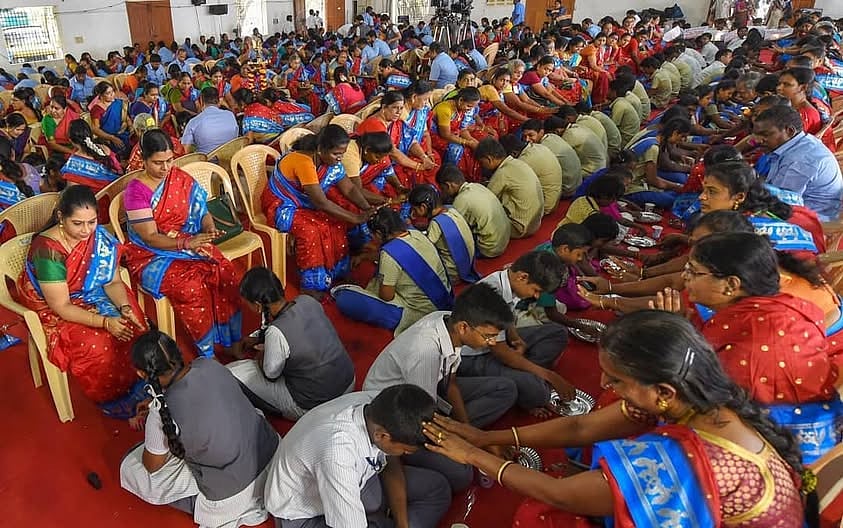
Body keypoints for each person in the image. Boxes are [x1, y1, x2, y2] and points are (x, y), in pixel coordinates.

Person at [422, 311, 811, 528]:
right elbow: (580, 426)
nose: (605, 384)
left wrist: (473, 455)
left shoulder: (685, 462)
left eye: (618, 379)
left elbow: (557, 494)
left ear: (663, 391)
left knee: (541, 515)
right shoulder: (696, 399)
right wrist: (486, 437)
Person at [664, 232, 843, 463]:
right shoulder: (789, 307)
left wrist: (672, 339)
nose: (684, 277)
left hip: (770, 457)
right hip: (819, 441)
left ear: (731, 285)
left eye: (693, 272)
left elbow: (691, 398)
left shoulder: (751, 346)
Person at [362, 285, 519, 492]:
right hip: (399, 412)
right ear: (464, 327)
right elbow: (422, 418)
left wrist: (474, 434)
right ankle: (398, 454)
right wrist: (476, 447)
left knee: (505, 389)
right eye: (488, 336)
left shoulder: (448, 321)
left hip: (430, 391)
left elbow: (451, 383)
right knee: (461, 473)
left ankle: (460, 433)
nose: (491, 343)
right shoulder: (424, 352)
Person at [120, 330, 280, 527]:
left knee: (131, 468)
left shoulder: (161, 411)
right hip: (272, 456)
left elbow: (152, 465)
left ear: (142, 374)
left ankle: (203, 504)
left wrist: (156, 416)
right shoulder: (208, 364)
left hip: (236, 492)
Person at [17, 185, 148, 422]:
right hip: (59, 308)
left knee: (135, 320)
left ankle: (139, 385)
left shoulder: (99, 238)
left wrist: (124, 308)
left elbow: (113, 282)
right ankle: (117, 401)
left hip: (93, 293)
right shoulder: (48, 250)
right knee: (97, 345)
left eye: (92, 222)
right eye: (77, 223)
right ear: (60, 217)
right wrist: (105, 322)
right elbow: (61, 306)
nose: (86, 230)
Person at [122, 130, 243, 358]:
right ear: (144, 160)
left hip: (189, 242)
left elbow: (202, 209)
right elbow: (149, 237)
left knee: (224, 271)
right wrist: (186, 242)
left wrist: (208, 227)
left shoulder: (179, 177)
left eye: (169, 160)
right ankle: (207, 352)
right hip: (151, 256)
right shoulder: (135, 192)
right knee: (192, 288)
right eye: (158, 163)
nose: (166, 168)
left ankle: (231, 340)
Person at [264, 385, 452, 528]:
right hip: (303, 513)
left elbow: (389, 462)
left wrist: (403, 524)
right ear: (382, 436)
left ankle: (380, 519)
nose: (405, 455)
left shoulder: (380, 409)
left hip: (356, 479)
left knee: (438, 488)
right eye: (405, 450)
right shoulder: (337, 451)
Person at [227, 267, 354, 420]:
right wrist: (262, 339)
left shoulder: (276, 332)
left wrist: (263, 354)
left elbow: (271, 374)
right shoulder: (307, 300)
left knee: (232, 372)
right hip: (348, 383)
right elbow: (302, 332)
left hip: (317, 404)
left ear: (258, 305)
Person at [262, 125, 373, 297]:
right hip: (283, 206)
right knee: (312, 230)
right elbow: (321, 202)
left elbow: (349, 189)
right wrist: (356, 218)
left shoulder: (330, 161)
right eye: (336, 154)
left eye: (342, 154)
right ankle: (311, 285)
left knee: (335, 222)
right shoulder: (303, 162)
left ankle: (337, 272)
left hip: (306, 204)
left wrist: (366, 208)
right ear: (320, 150)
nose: (340, 158)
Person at [457, 250, 572, 413]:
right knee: (539, 394)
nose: (537, 296)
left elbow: (506, 317)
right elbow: (502, 353)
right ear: (523, 277)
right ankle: (527, 381)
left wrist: (515, 337)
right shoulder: (492, 293)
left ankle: (526, 375)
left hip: (498, 346)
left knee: (558, 333)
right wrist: (549, 375)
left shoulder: (511, 282)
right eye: (536, 290)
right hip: (474, 355)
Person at [333, 207, 453, 335]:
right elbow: (405, 253)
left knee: (345, 298)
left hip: (420, 312)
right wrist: (366, 257)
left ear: (379, 233)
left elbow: (387, 296)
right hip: (444, 300)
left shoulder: (388, 254)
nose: (372, 239)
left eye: (372, 235)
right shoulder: (416, 234)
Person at [753, 105, 843, 221]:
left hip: (816, 221)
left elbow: (780, 205)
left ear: (790, 131)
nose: (758, 140)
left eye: (765, 135)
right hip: (798, 210)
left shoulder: (800, 160)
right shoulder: (799, 143)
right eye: (757, 135)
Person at [436, 164, 511, 258]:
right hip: (505, 239)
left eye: (443, 189)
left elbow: (453, 229)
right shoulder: (477, 186)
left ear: (448, 185)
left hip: (490, 248)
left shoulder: (461, 200)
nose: (444, 193)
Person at [408, 184, 477, 284]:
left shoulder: (435, 224)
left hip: (454, 274)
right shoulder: (451, 209)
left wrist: (410, 228)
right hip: (468, 264)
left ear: (423, 207)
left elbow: (424, 247)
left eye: (414, 209)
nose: (413, 212)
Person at [475, 138, 544, 238]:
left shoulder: (502, 173)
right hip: (534, 224)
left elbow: (485, 200)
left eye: (482, 163)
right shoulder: (518, 163)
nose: (482, 166)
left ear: (489, 159)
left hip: (518, 228)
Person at [430, 87, 488, 183]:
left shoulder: (460, 108)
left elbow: (462, 130)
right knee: (456, 149)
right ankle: (448, 177)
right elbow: (445, 134)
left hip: (452, 135)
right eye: (469, 106)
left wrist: (472, 141)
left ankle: (470, 178)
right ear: (461, 100)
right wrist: (467, 143)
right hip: (436, 136)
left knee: (476, 147)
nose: (470, 110)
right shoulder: (445, 108)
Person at [499, 134, 563, 214]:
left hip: (545, 206)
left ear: (513, 153)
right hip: (554, 199)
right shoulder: (538, 147)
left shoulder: (523, 161)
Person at [521, 118, 582, 197]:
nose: (527, 140)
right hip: (576, 183)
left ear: (541, 132)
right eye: (524, 136)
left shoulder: (542, 148)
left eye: (531, 135)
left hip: (567, 188)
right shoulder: (552, 137)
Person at [61, 119, 123, 195]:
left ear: (70, 140)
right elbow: (119, 170)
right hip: (118, 194)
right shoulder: (105, 149)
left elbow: (73, 193)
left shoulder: (73, 164)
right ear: (90, 135)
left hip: (98, 202)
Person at [180, 87, 239, 155]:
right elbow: (235, 138)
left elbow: (185, 150)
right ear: (219, 101)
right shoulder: (230, 115)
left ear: (201, 101)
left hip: (207, 164)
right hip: (231, 160)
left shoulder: (194, 122)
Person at [550, 112, 608, 178]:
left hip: (593, 171)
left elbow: (565, 157)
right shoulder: (578, 126)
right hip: (602, 164)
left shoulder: (569, 135)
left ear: (557, 131)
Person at [89, 82, 130, 154]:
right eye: (108, 93)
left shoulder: (118, 103)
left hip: (121, 133)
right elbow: (95, 129)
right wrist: (112, 138)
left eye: (112, 91)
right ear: (101, 96)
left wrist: (130, 125)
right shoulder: (97, 109)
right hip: (107, 138)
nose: (112, 95)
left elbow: (125, 117)